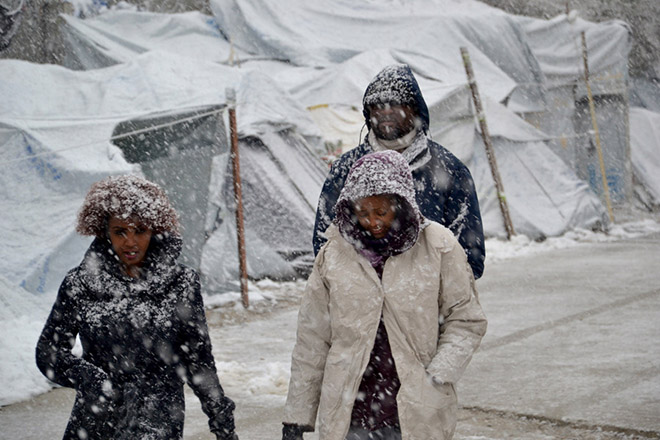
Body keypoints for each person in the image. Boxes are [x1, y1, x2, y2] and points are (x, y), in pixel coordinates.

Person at [282, 151, 487, 440]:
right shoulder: (334, 254)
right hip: (350, 408)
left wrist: (438, 375)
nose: (373, 222)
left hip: (415, 407)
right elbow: (312, 340)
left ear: (401, 205)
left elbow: (466, 319)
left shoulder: (437, 246)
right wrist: (297, 417)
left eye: (381, 212)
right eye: (363, 213)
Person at [36, 175, 238, 440]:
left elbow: (197, 358)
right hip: (95, 422)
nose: (130, 242)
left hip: (159, 422)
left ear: (154, 230)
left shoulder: (180, 283)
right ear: (105, 232)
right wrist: (91, 379)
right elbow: (49, 351)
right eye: (120, 231)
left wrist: (221, 419)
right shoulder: (81, 283)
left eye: (140, 230)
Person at [313, 64, 486, 280]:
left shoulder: (449, 170)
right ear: (369, 113)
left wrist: (430, 292)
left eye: (395, 103)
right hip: (363, 305)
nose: (385, 111)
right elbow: (325, 244)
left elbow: (469, 255)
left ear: (415, 109)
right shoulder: (346, 169)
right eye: (377, 105)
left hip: (426, 307)